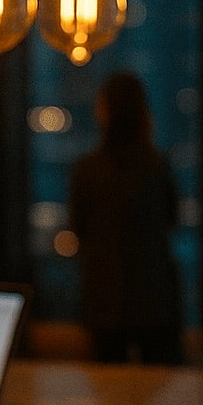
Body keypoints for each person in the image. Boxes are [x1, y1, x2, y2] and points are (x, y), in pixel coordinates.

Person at [69, 71, 184, 364]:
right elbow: (172, 220)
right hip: (155, 299)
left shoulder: (88, 170)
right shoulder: (157, 166)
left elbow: (78, 228)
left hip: (105, 300)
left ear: (105, 111)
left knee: (108, 396)